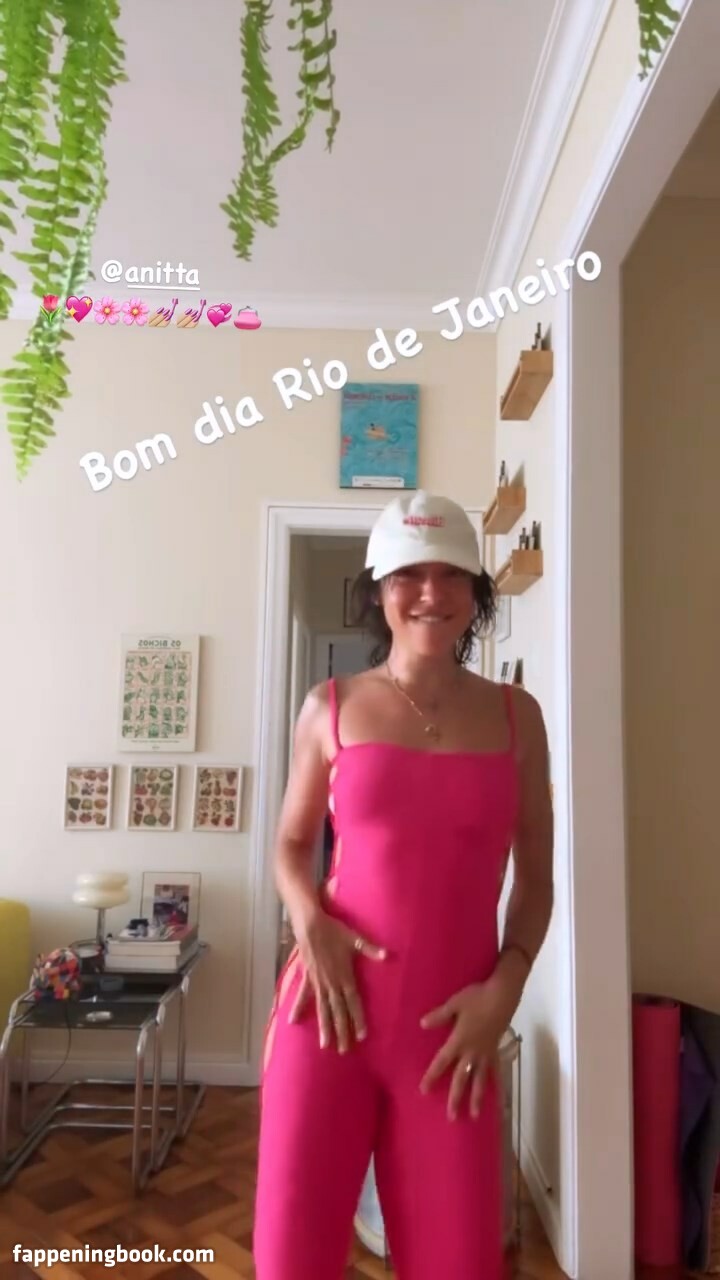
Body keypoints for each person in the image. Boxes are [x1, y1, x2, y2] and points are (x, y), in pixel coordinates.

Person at [253, 491, 554, 1280]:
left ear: (476, 592)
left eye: (450, 574)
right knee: (291, 1261)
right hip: (325, 1015)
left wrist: (506, 991)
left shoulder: (518, 718)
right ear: (378, 590)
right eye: (408, 575)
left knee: (459, 1263)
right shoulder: (330, 707)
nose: (430, 592)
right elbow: (290, 845)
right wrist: (309, 919)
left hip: (454, 1041)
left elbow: (536, 881)